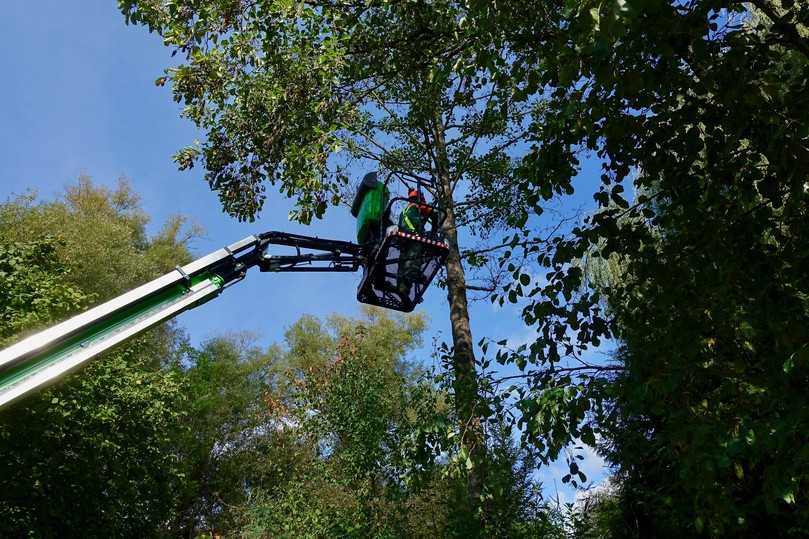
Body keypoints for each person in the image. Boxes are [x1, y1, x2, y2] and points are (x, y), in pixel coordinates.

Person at [396, 189, 432, 298]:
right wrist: (434, 229)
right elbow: (431, 213)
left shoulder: (404, 211)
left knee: (403, 262)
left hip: (403, 239)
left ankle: (401, 285)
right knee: (414, 259)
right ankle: (411, 279)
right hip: (414, 237)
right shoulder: (417, 206)